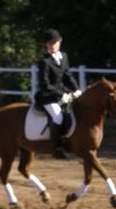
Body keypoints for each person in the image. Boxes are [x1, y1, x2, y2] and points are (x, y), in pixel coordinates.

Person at [35, 29, 82, 159]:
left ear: (60, 41)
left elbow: (67, 76)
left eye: (55, 42)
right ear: (46, 45)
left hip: (63, 93)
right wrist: (61, 95)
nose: (53, 45)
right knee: (58, 118)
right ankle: (56, 147)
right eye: (50, 43)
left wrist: (76, 89)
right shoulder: (44, 62)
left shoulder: (64, 56)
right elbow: (45, 85)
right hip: (48, 96)